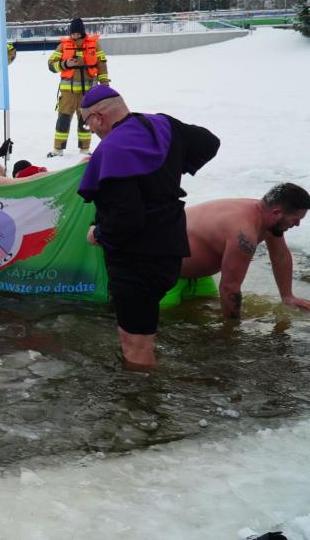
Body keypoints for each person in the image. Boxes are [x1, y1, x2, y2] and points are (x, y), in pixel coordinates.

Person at [77, 85, 220, 369]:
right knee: (145, 330)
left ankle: (143, 394)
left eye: (87, 123)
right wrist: (172, 167)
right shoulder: (162, 125)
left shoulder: (113, 150)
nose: (90, 131)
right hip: (171, 249)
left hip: (136, 259)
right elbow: (209, 142)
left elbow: (126, 220)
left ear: (98, 117)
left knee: (135, 345)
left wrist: (98, 234)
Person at [178, 183, 310, 317]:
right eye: (296, 219)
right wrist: (232, 328)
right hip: (169, 274)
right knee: (169, 319)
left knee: (202, 314)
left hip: (199, 278)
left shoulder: (267, 218)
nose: (297, 225)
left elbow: (280, 256)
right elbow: (229, 288)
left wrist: (287, 296)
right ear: (277, 213)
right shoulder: (244, 231)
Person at [48, 18, 110, 157]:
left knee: (86, 121)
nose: (75, 36)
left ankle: (84, 149)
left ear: (82, 32)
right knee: (63, 120)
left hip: (87, 93)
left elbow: (102, 65)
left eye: (77, 33)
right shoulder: (63, 46)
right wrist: (65, 64)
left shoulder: (94, 45)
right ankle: (58, 149)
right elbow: (51, 65)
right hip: (68, 93)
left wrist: (104, 83)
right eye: (73, 33)